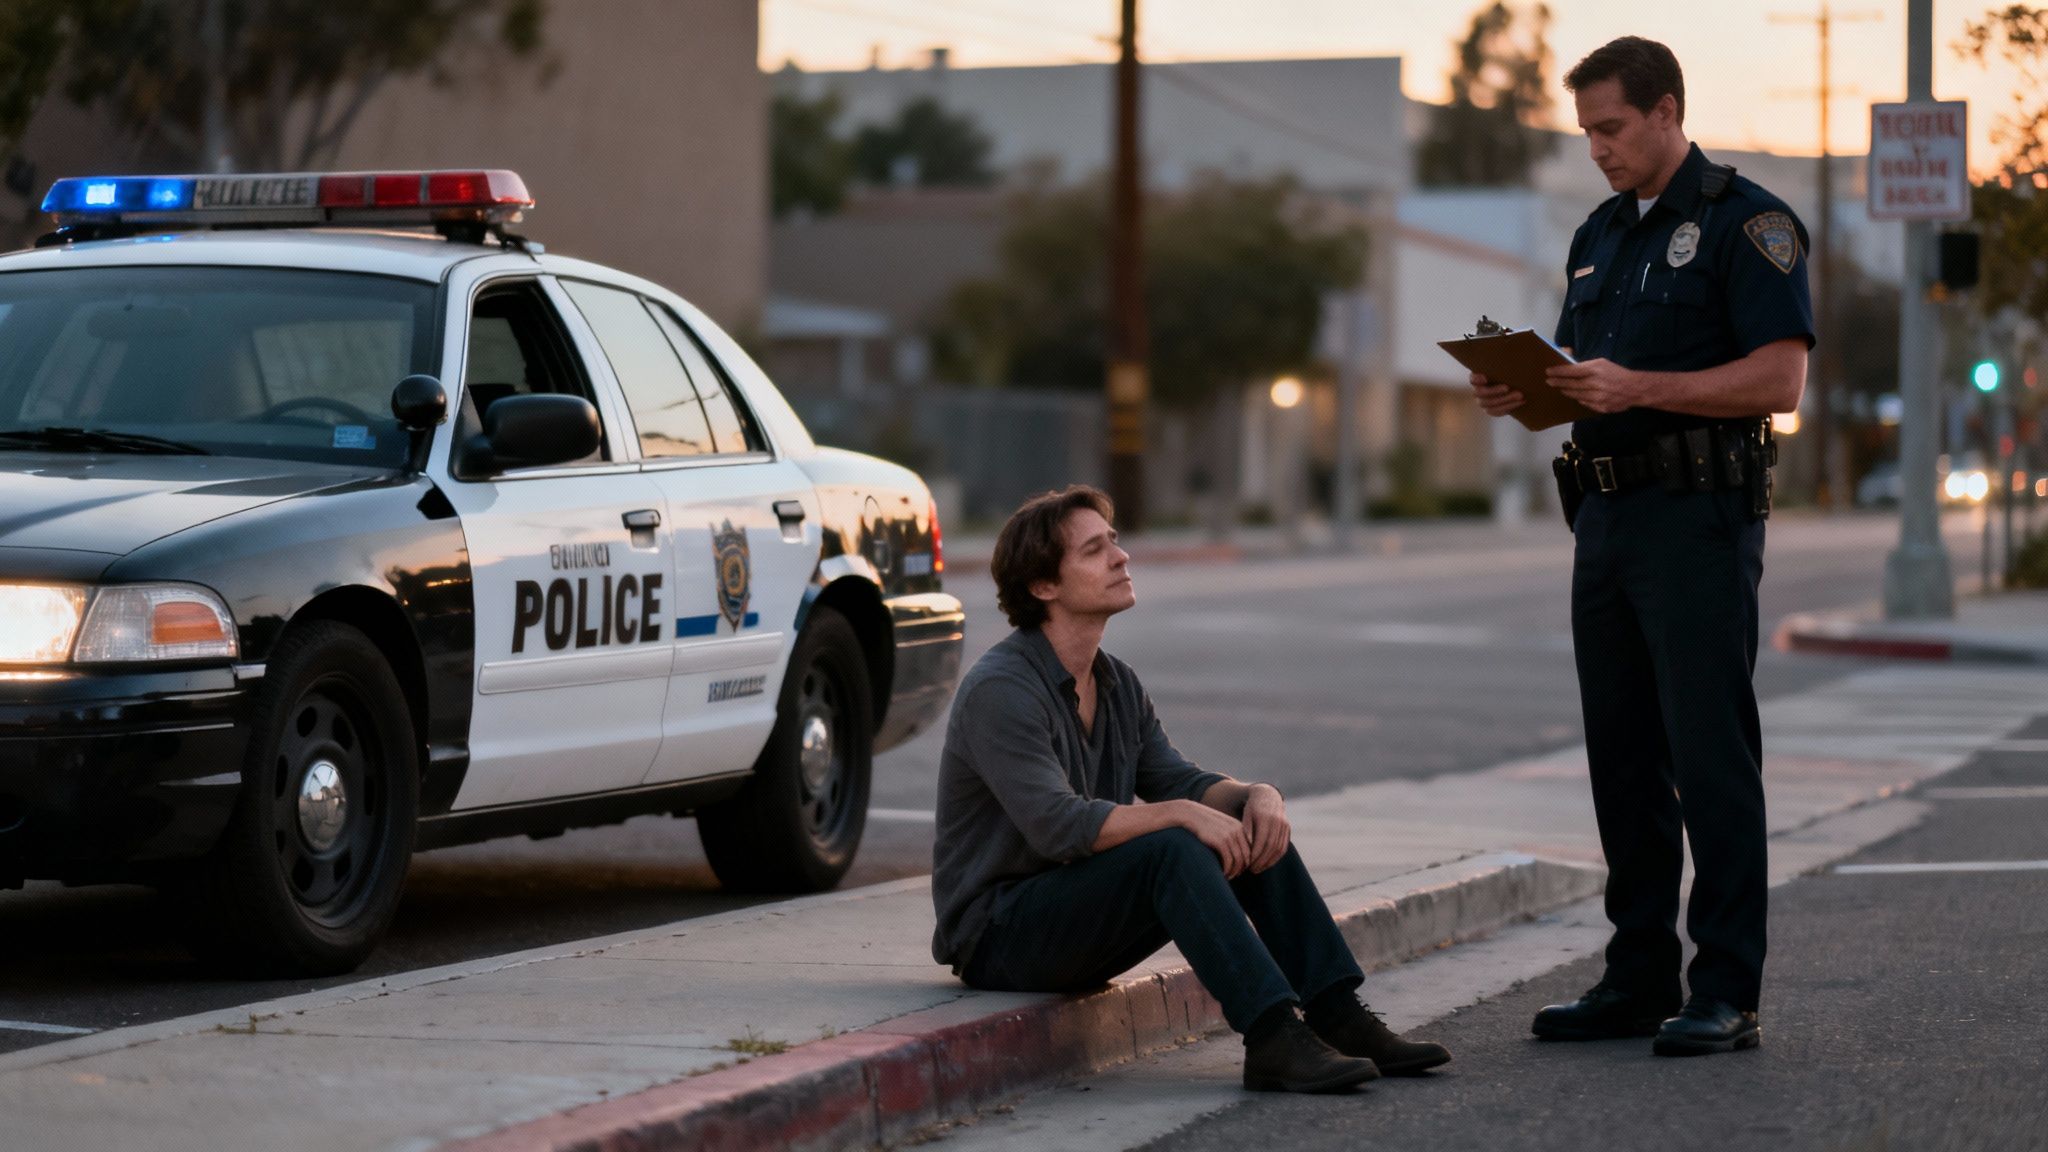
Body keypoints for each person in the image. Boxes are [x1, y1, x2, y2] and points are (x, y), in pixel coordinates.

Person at [1468, 36, 1812, 1057]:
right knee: (1619, 757)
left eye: (1610, 129)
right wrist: (1526, 391)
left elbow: (1776, 382)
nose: (1597, 150)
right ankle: (1635, 975)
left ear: (1665, 111)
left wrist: (1635, 387)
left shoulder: (1743, 224)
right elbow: (1590, 379)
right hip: (1605, 517)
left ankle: (1724, 988)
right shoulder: (1598, 235)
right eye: (1585, 134)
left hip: (1696, 520)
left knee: (1707, 754)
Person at [930, 485, 1451, 1093]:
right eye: (1095, 550)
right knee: (1175, 845)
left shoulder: (1116, 682)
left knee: (1244, 827)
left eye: (1115, 542)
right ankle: (1273, 1038)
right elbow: (1058, 825)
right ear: (1044, 586)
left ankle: (1338, 1014)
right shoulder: (1003, 689)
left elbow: (1177, 779)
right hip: (1001, 934)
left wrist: (1257, 796)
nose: (1121, 557)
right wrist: (1183, 816)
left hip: (1074, 912)